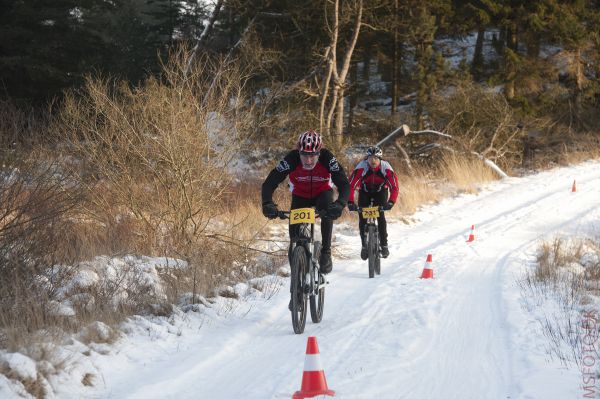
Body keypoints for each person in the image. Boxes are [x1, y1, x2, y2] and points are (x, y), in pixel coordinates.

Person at [261, 130, 350, 274]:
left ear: (319, 152)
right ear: (299, 151)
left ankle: (326, 252)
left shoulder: (327, 158)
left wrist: (340, 204)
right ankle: (297, 288)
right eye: (304, 155)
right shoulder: (291, 159)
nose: (308, 160)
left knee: (328, 211)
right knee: (294, 241)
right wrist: (267, 203)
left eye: (313, 156)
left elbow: (344, 184)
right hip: (300, 196)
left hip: (322, 193)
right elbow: (270, 182)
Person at [347, 146, 399, 260]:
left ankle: (384, 245)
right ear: (367, 159)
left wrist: (391, 202)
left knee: (380, 216)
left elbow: (394, 187)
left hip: (381, 192)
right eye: (370, 158)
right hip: (365, 192)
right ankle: (364, 245)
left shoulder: (386, 168)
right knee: (362, 217)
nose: (373, 161)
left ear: (380, 159)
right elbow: (351, 186)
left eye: (376, 158)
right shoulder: (361, 167)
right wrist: (350, 202)